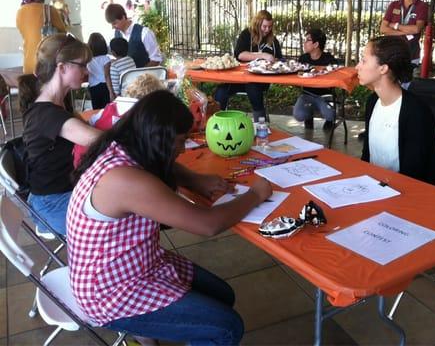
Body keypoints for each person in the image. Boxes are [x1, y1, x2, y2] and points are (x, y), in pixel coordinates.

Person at [68, 90, 272, 345]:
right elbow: (208, 224)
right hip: (110, 294)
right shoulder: (125, 181)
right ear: (159, 140)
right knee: (227, 327)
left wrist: (196, 180)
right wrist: (256, 194)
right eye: (180, 141)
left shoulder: (123, 146)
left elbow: (163, 164)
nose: (182, 148)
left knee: (223, 295)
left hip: (139, 264)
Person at [19, 34, 101, 236]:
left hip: (60, 194)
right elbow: (102, 140)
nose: (86, 71)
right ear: (62, 67)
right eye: (82, 65)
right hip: (52, 204)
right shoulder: (47, 114)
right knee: (124, 216)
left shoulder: (58, 104)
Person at [358, 36, 435, 188]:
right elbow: (367, 157)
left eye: (364, 61)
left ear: (383, 68)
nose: (357, 67)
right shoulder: (373, 102)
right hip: (376, 187)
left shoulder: (416, 112)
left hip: (409, 195)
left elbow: (414, 175)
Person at [214, 10, 282, 122]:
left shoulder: (273, 40)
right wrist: (263, 55)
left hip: (260, 80)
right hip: (240, 79)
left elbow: (279, 59)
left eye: (270, 27)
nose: (267, 30)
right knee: (222, 90)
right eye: (264, 26)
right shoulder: (246, 34)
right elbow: (240, 55)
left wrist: (273, 60)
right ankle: (217, 121)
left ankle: (261, 124)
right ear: (258, 24)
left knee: (253, 88)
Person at [16, 0, 66, 74]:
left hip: (28, 65)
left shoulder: (19, 13)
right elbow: (63, 34)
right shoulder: (49, 10)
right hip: (47, 65)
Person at [380, 0, 428, 66]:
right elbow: (383, 29)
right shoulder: (393, 5)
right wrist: (405, 31)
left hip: (411, 54)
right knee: (392, 80)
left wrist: (395, 25)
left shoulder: (422, 6)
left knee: (407, 81)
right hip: (391, 53)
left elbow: (417, 29)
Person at [292, 28, 337, 130]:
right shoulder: (303, 59)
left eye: (308, 40)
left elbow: (337, 75)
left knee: (330, 114)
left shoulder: (329, 60)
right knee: (298, 114)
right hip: (307, 95)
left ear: (316, 44)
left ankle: (329, 121)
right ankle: (308, 116)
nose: (304, 43)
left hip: (325, 96)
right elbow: (297, 77)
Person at [105, 3, 163, 68]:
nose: (113, 27)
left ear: (123, 17)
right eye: (111, 24)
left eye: (115, 23)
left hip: (146, 76)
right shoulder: (116, 34)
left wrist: (139, 74)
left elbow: (156, 59)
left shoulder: (144, 33)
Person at [86, 33, 112, 109]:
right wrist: (111, 92)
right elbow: (107, 76)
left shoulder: (88, 60)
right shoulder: (106, 58)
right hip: (105, 86)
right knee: (107, 109)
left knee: (96, 109)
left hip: (93, 87)